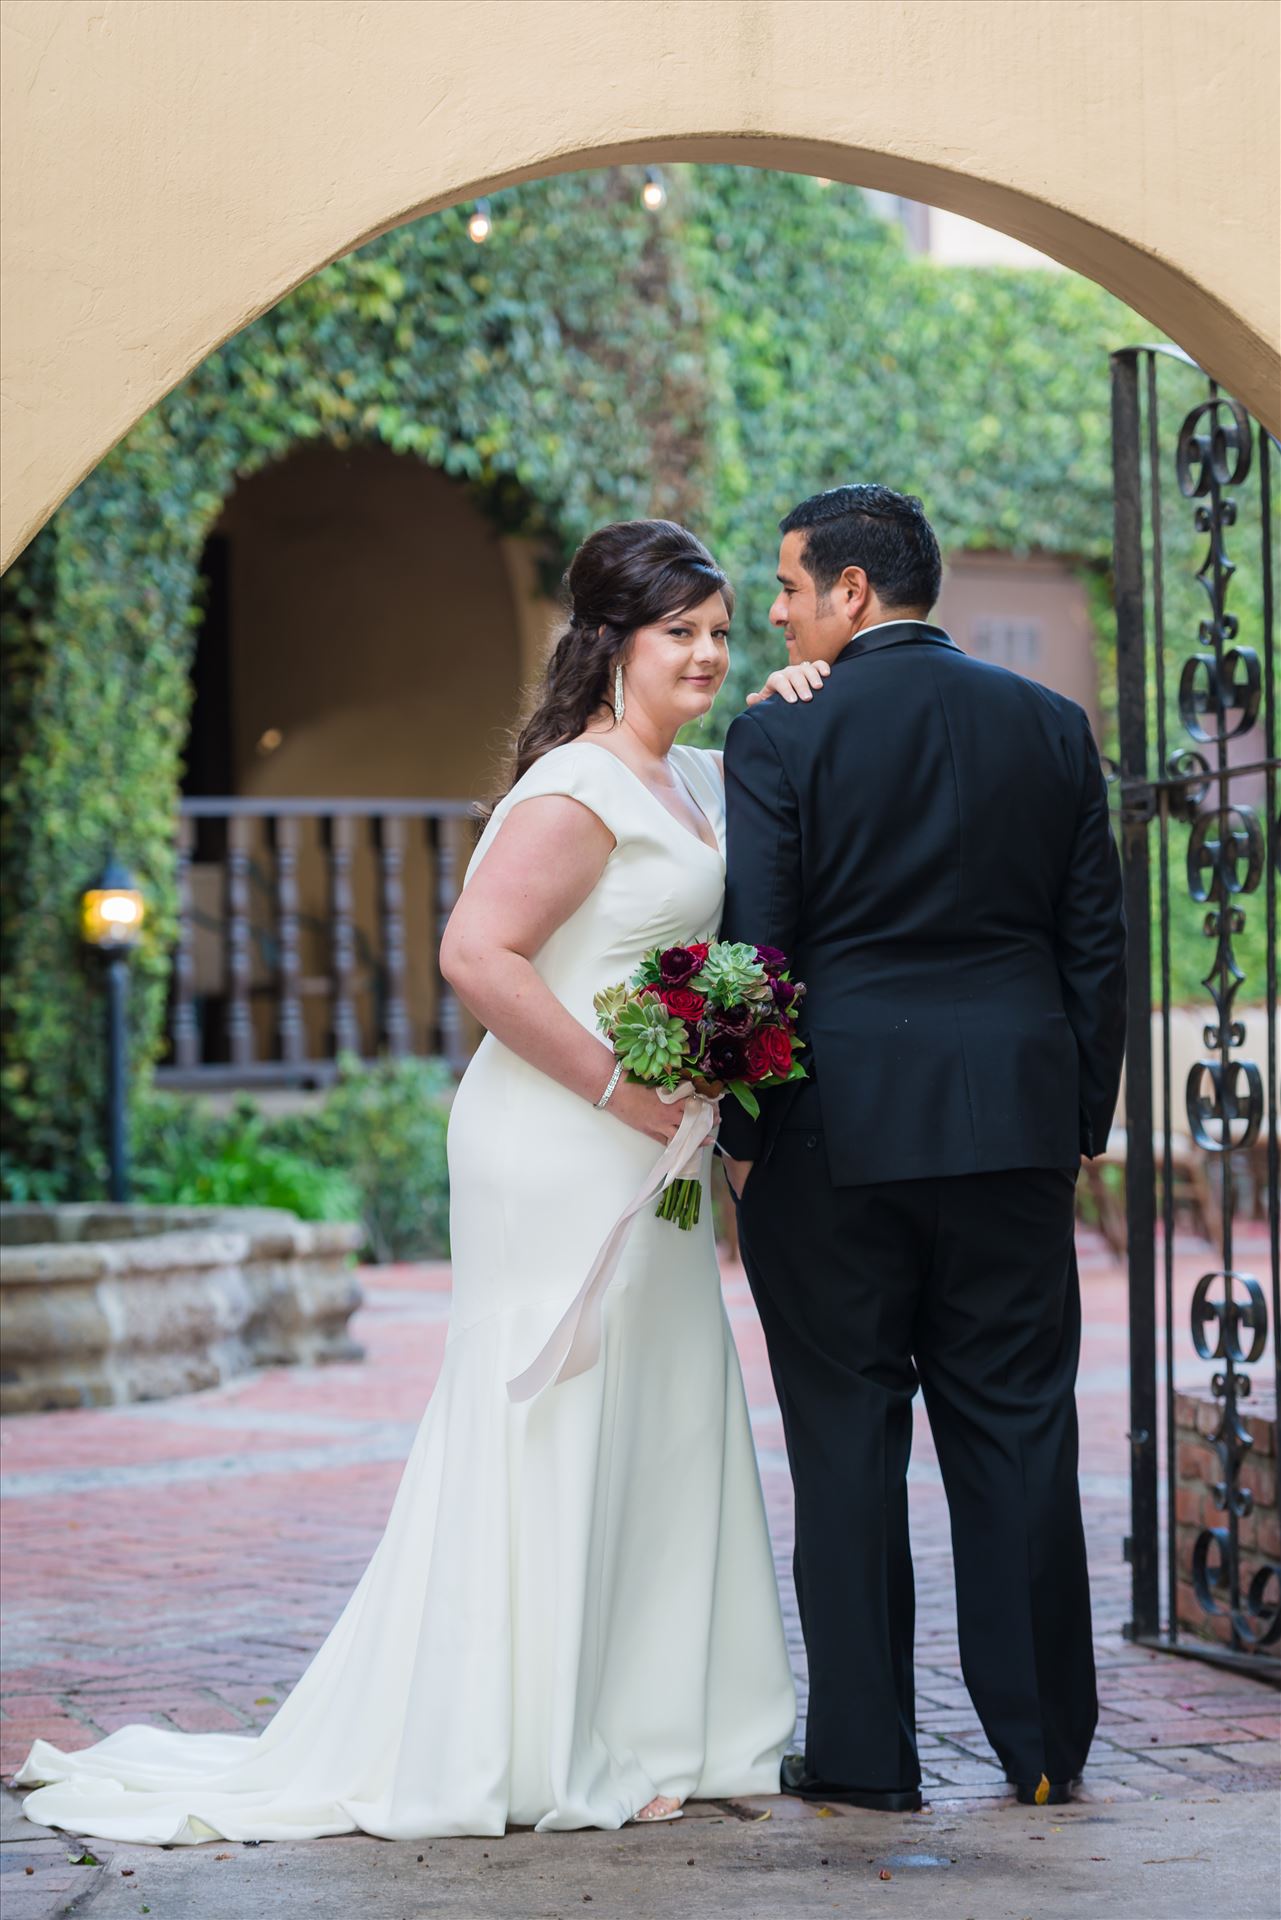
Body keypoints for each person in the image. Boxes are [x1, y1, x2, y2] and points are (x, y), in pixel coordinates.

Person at [15, 519, 818, 1843]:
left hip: (652, 1138)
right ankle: (527, 1735)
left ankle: (657, 1721)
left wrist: (797, 691)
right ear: (611, 643)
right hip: (559, 1140)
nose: (711, 653)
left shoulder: (692, 781)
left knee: (663, 1407)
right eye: (682, 632)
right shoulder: (577, 788)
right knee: (555, 1408)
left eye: (724, 632)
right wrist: (628, 1091)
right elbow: (479, 959)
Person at [717, 484, 1126, 1813]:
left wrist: (740, 1128)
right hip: (1009, 1128)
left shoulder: (781, 735)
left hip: (833, 1130)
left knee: (842, 1440)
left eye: (784, 586)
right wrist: (1074, 1122)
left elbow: (756, 942)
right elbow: (1091, 950)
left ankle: (864, 1757)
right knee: (1016, 1431)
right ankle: (1043, 1749)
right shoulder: (1053, 726)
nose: (769, 613)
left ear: (850, 592)